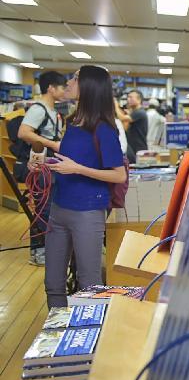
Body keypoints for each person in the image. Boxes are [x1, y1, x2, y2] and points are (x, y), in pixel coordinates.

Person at [44, 66, 127, 309]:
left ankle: (89, 340)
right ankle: (57, 334)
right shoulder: (73, 122)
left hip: (87, 213)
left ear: (89, 86)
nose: (69, 82)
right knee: (53, 283)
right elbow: (71, 156)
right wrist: (45, 162)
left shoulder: (104, 129)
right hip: (59, 208)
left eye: (75, 78)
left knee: (88, 283)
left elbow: (119, 175)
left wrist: (78, 169)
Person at [18, 71, 67, 266]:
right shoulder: (38, 109)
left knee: (49, 208)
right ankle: (38, 253)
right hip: (40, 168)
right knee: (42, 209)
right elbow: (24, 132)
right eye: (62, 87)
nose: (64, 91)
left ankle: (47, 249)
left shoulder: (54, 111)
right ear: (51, 88)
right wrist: (53, 144)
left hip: (50, 167)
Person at [120, 89, 148, 163]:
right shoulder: (134, 112)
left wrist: (115, 105)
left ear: (139, 100)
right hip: (132, 149)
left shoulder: (140, 112)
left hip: (139, 150)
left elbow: (122, 118)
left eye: (131, 97)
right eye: (128, 97)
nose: (128, 99)